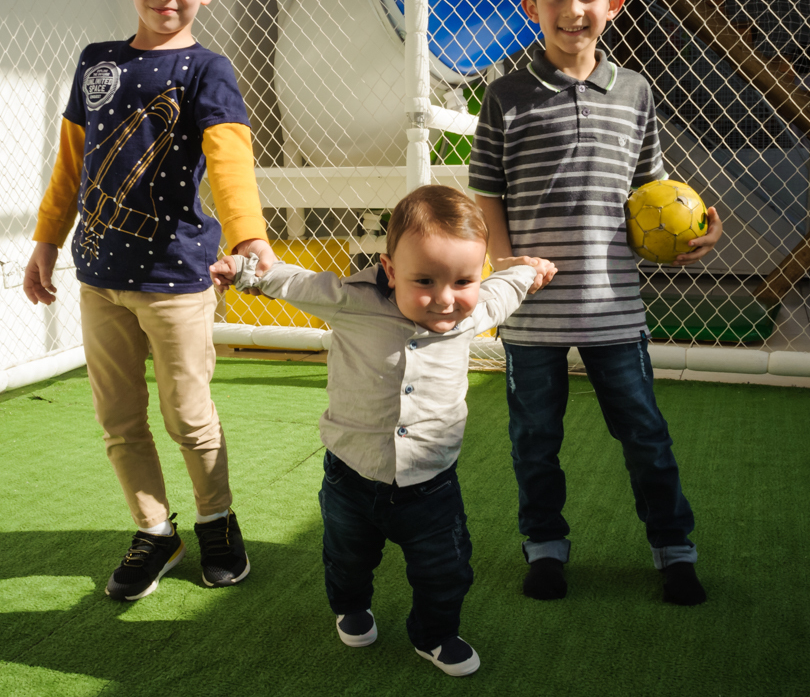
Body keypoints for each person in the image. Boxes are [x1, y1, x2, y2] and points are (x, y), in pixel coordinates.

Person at [22, 0, 276, 599]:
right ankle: (155, 532)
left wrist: (249, 234)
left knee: (187, 415)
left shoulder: (207, 70)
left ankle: (217, 520)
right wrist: (46, 242)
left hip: (177, 281)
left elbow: (230, 161)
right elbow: (70, 166)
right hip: (98, 279)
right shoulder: (97, 64)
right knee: (119, 417)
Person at [467, 0, 723, 606]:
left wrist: (697, 226)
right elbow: (486, 189)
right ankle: (544, 547)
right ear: (532, 6)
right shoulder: (506, 96)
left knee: (644, 432)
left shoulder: (636, 93)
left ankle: (674, 549)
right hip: (532, 310)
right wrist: (500, 260)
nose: (572, 9)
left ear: (615, 3)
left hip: (615, 307)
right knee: (534, 439)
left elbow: (656, 195)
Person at [210, 185, 556, 676]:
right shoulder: (351, 300)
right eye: (424, 281)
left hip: (431, 484)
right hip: (351, 477)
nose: (444, 299)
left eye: (462, 280)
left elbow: (504, 288)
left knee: (446, 569)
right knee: (346, 558)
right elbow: (292, 281)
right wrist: (243, 271)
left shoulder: (472, 309)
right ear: (390, 270)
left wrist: (529, 270)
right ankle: (351, 606)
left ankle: (434, 634)